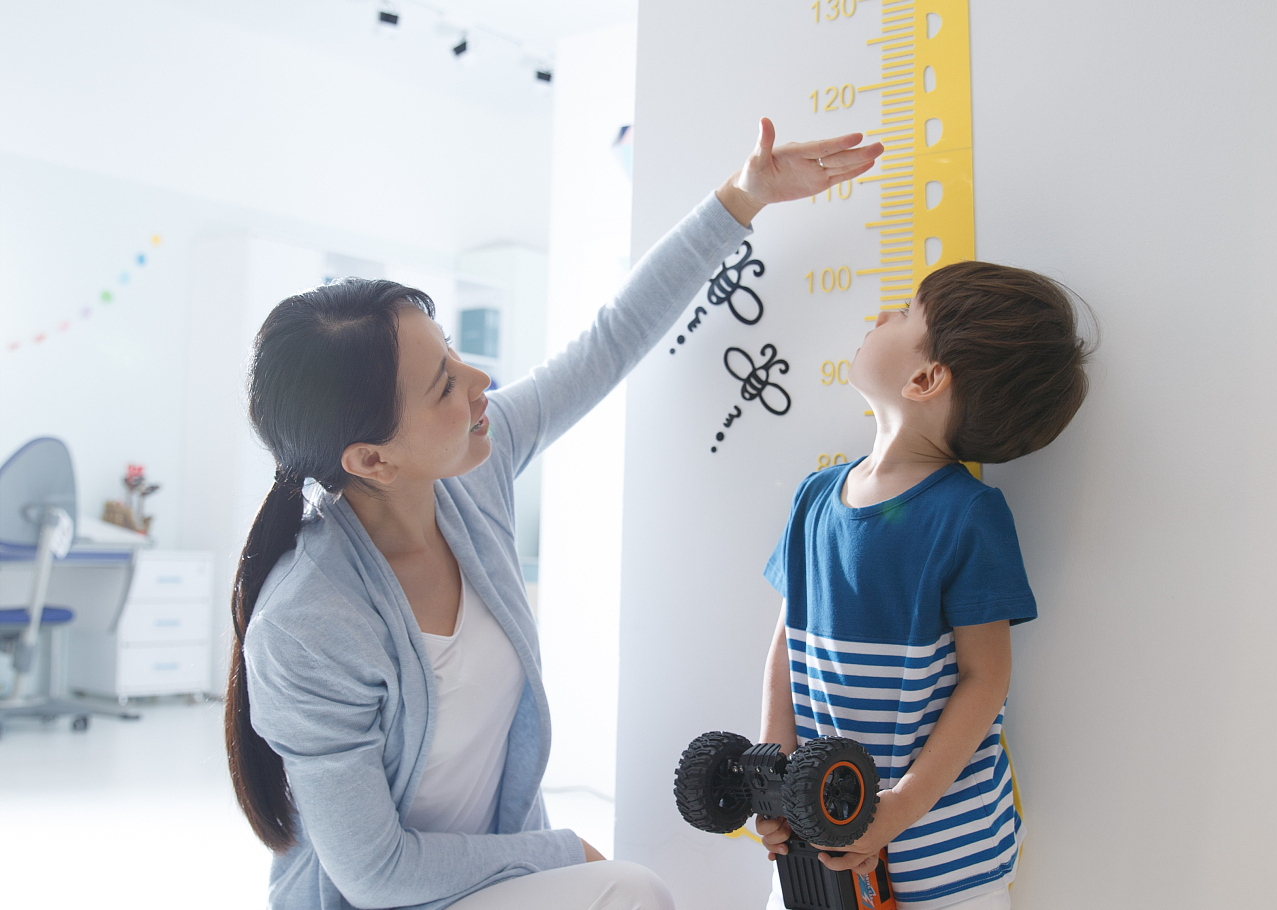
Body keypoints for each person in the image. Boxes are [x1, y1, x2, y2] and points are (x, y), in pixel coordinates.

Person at [223, 118, 883, 910]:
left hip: (487, 881)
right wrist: (562, 851)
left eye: (452, 350)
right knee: (632, 890)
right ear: (371, 459)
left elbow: (609, 342)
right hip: (384, 901)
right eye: (443, 384)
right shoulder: (306, 624)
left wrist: (744, 197)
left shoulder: (474, 471)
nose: (479, 379)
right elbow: (375, 873)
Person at [756, 263, 1094, 909]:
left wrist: (900, 809)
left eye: (907, 313)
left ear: (925, 379)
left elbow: (984, 678)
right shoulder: (815, 497)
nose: (882, 315)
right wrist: (773, 771)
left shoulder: (968, 515)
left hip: (946, 861)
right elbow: (785, 647)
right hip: (820, 842)